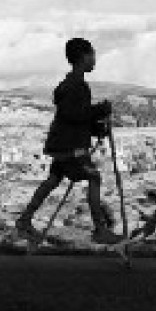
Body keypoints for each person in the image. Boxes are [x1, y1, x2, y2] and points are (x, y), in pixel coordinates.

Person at [16, 38, 122, 245]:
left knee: (53, 179)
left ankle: (25, 220)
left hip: (62, 145)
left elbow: (77, 119)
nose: (94, 60)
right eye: (92, 55)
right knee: (94, 177)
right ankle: (100, 230)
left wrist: (97, 128)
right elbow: (73, 114)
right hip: (70, 148)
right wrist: (99, 110)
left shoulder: (74, 84)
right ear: (83, 57)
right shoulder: (75, 85)